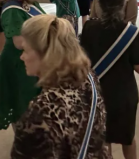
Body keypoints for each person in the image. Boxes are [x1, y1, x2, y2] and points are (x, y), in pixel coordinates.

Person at [13, 14, 110, 158]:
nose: (22, 57)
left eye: (26, 50)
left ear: (46, 55)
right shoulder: (87, 76)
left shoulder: (42, 111)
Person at [81, 0, 139, 159]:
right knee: (127, 139)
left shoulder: (89, 27)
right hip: (124, 96)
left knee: (103, 139)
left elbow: (82, 60)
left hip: (97, 94)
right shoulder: (131, 32)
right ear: (123, 3)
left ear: (99, 3)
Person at [0, 0, 45, 130]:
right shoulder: (12, 9)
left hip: (31, 62)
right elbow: (20, 42)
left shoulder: (30, 4)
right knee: (24, 104)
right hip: (19, 64)